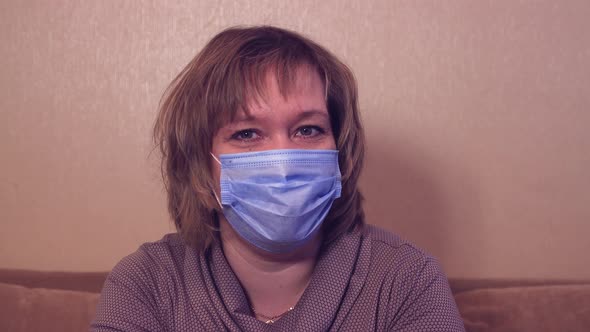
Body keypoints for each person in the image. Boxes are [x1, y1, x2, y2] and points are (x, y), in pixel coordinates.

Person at [91, 26, 465, 331]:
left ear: (341, 156)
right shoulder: (148, 284)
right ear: (200, 172)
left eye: (308, 129)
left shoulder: (407, 281)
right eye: (247, 134)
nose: (283, 162)